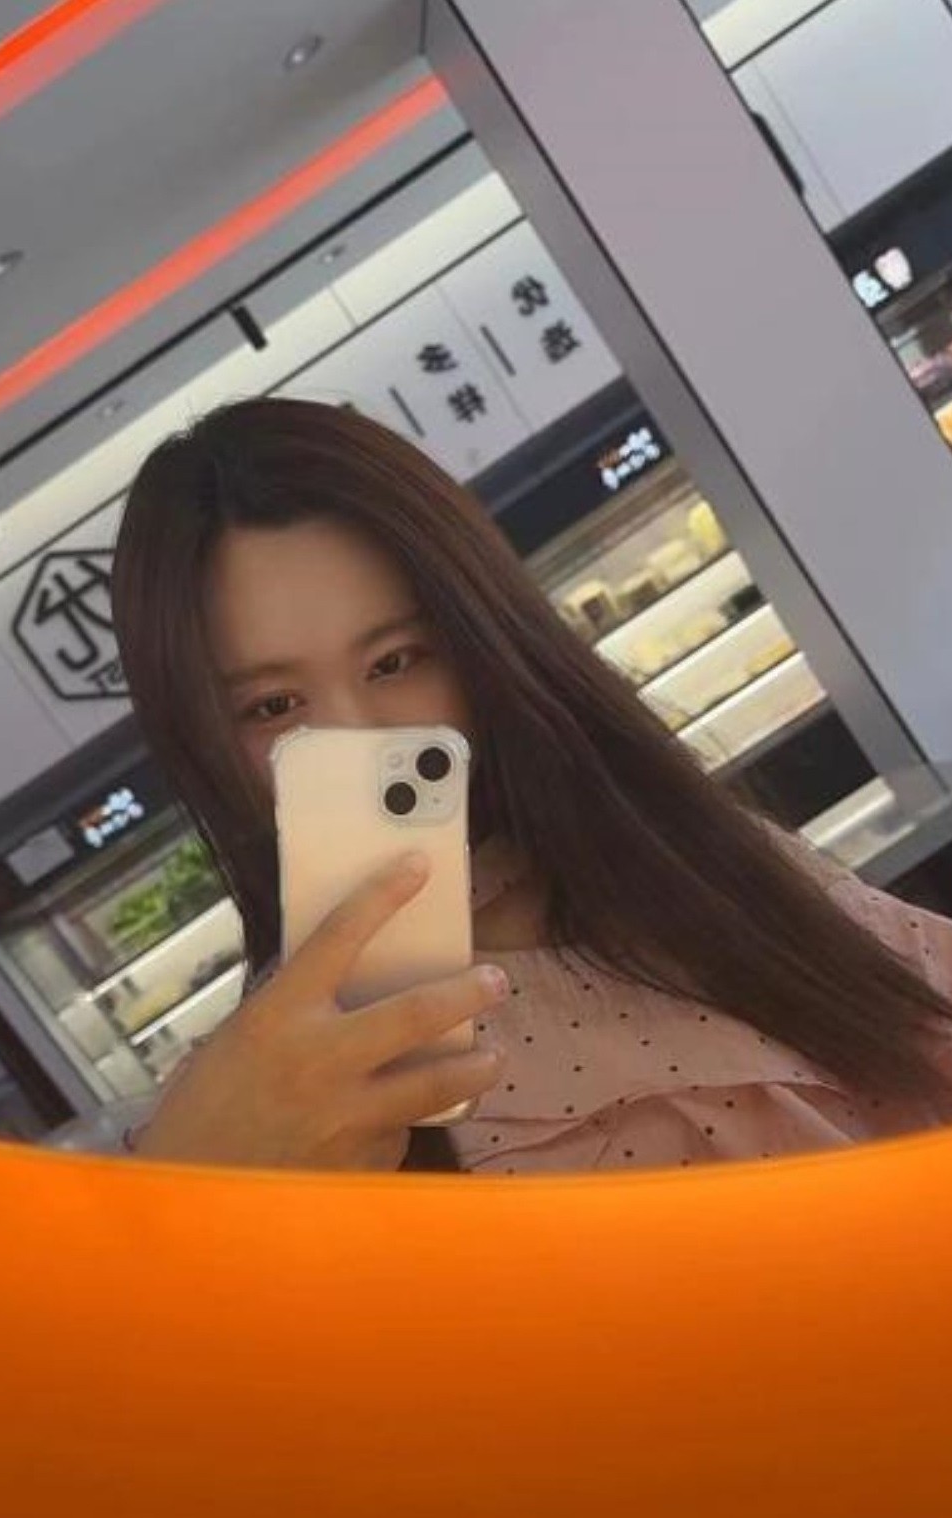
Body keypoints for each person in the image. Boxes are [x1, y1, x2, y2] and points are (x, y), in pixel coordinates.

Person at [100, 396, 952, 1175]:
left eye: (395, 660)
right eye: (272, 706)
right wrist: (199, 1189)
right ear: (204, 745)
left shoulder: (696, 871)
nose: (361, 738)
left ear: (480, 639)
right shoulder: (246, 1108)